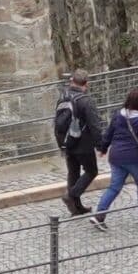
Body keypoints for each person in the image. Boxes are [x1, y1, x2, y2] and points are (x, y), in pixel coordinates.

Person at [93, 88, 138, 229]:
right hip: (134, 158)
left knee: (114, 187)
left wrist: (103, 149)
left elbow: (109, 133)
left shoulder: (118, 115)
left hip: (116, 156)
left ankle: (99, 216)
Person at [53, 71, 102, 217]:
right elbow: (95, 126)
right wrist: (100, 145)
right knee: (91, 171)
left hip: (66, 143)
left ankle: (77, 208)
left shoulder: (63, 97)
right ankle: (71, 195)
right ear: (86, 84)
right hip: (83, 144)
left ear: (71, 81)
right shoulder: (86, 101)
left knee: (73, 173)